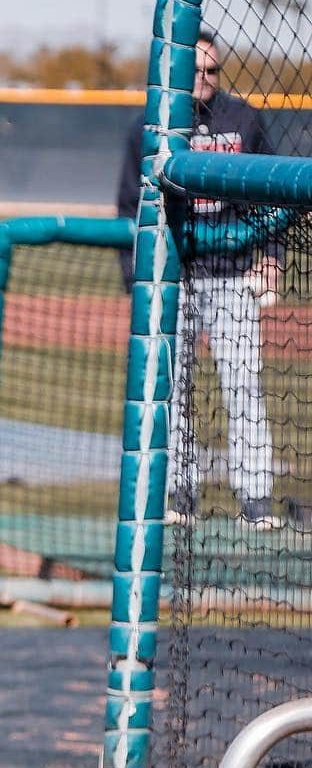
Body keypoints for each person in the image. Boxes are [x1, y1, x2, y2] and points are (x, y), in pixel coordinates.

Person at [116, 30, 282, 528]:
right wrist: (136, 280)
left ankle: (256, 501)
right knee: (173, 387)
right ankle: (179, 496)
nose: (206, 81)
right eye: (197, 72)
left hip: (232, 276)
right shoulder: (149, 125)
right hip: (174, 279)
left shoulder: (243, 119)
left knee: (243, 386)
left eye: (213, 72)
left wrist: (270, 258)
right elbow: (129, 207)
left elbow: (273, 194)